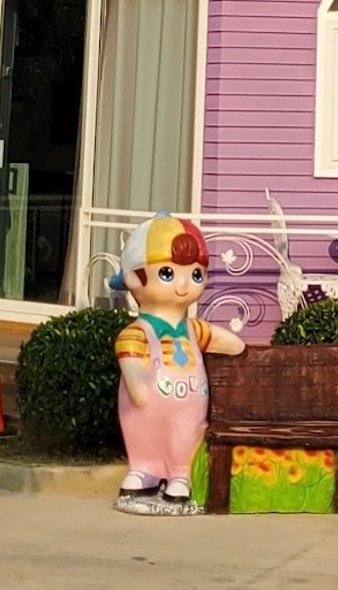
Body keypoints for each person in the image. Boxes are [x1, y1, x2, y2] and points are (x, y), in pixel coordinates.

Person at [111, 213, 245, 514]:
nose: (184, 285)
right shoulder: (137, 332)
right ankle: (143, 467)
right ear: (134, 277)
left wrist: (238, 346)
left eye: (196, 275)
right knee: (141, 430)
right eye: (168, 274)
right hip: (145, 404)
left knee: (185, 432)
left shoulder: (192, 329)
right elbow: (130, 363)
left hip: (189, 404)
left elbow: (228, 342)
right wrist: (137, 388)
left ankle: (180, 473)